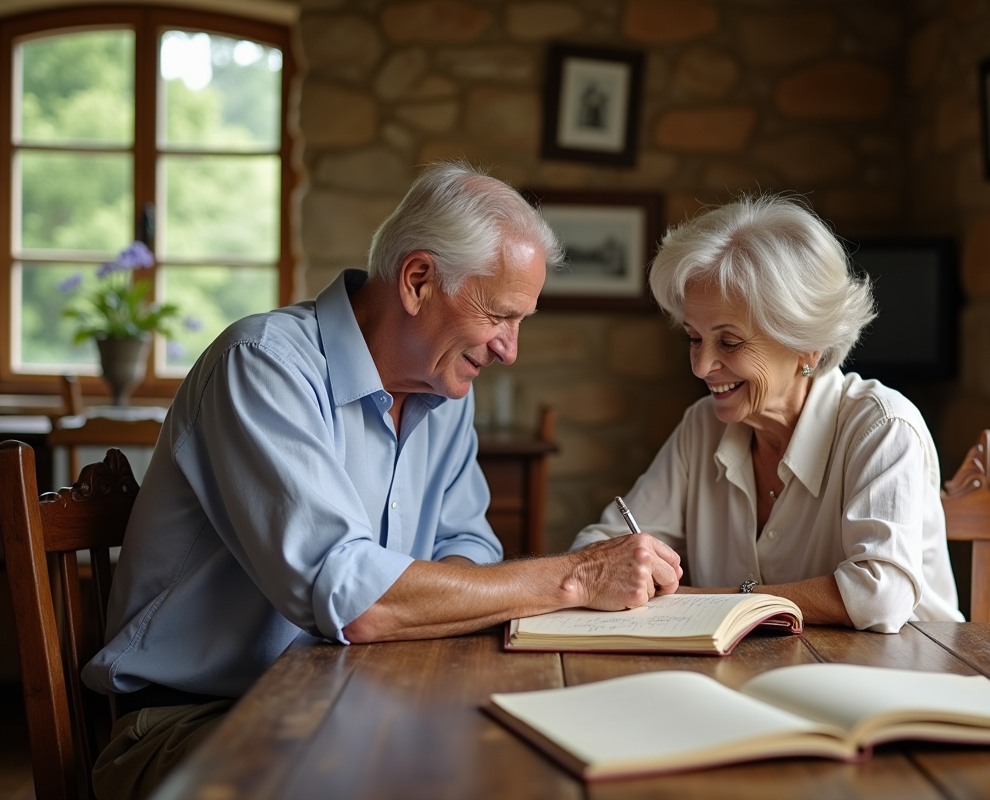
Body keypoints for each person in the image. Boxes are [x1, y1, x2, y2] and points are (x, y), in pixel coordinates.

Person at [83, 162, 682, 800]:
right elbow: (358, 602)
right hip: (190, 723)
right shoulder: (263, 366)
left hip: (350, 695)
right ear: (419, 279)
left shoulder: (445, 394)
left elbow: (472, 550)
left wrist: (432, 598)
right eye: (500, 316)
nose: (510, 349)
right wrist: (576, 577)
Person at [571, 194, 962, 633]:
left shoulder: (882, 428)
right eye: (694, 339)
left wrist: (705, 601)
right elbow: (600, 547)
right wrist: (617, 567)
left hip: (899, 681)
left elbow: (879, 595)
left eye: (730, 342)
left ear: (806, 347)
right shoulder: (701, 428)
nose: (700, 366)